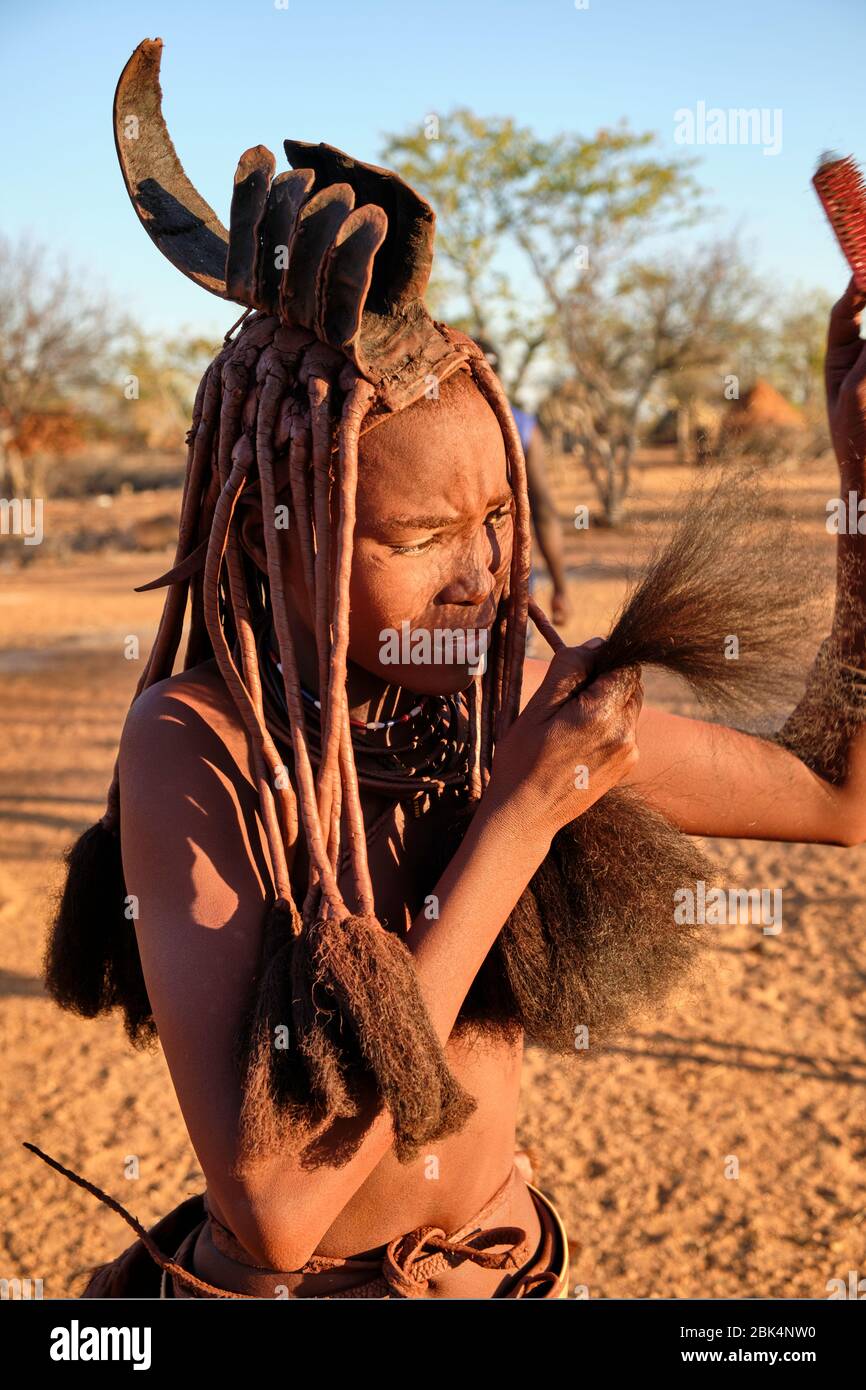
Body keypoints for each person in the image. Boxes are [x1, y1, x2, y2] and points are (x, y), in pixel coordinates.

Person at [29, 39, 866, 1301]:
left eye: (492, 524)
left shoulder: (504, 706)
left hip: (503, 1267)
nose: (480, 575)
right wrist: (520, 815)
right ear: (281, 526)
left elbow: (836, 796)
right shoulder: (203, 748)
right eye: (417, 538)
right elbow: (273, 1210)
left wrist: (859, 478)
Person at [473, 338, 573, 627]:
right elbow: (544, 512)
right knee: (509, 662)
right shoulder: (523, 426)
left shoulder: (522, 428)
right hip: (503, 582)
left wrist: (560, 587)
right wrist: (560, 588)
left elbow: (542, 511)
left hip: (500, 580)